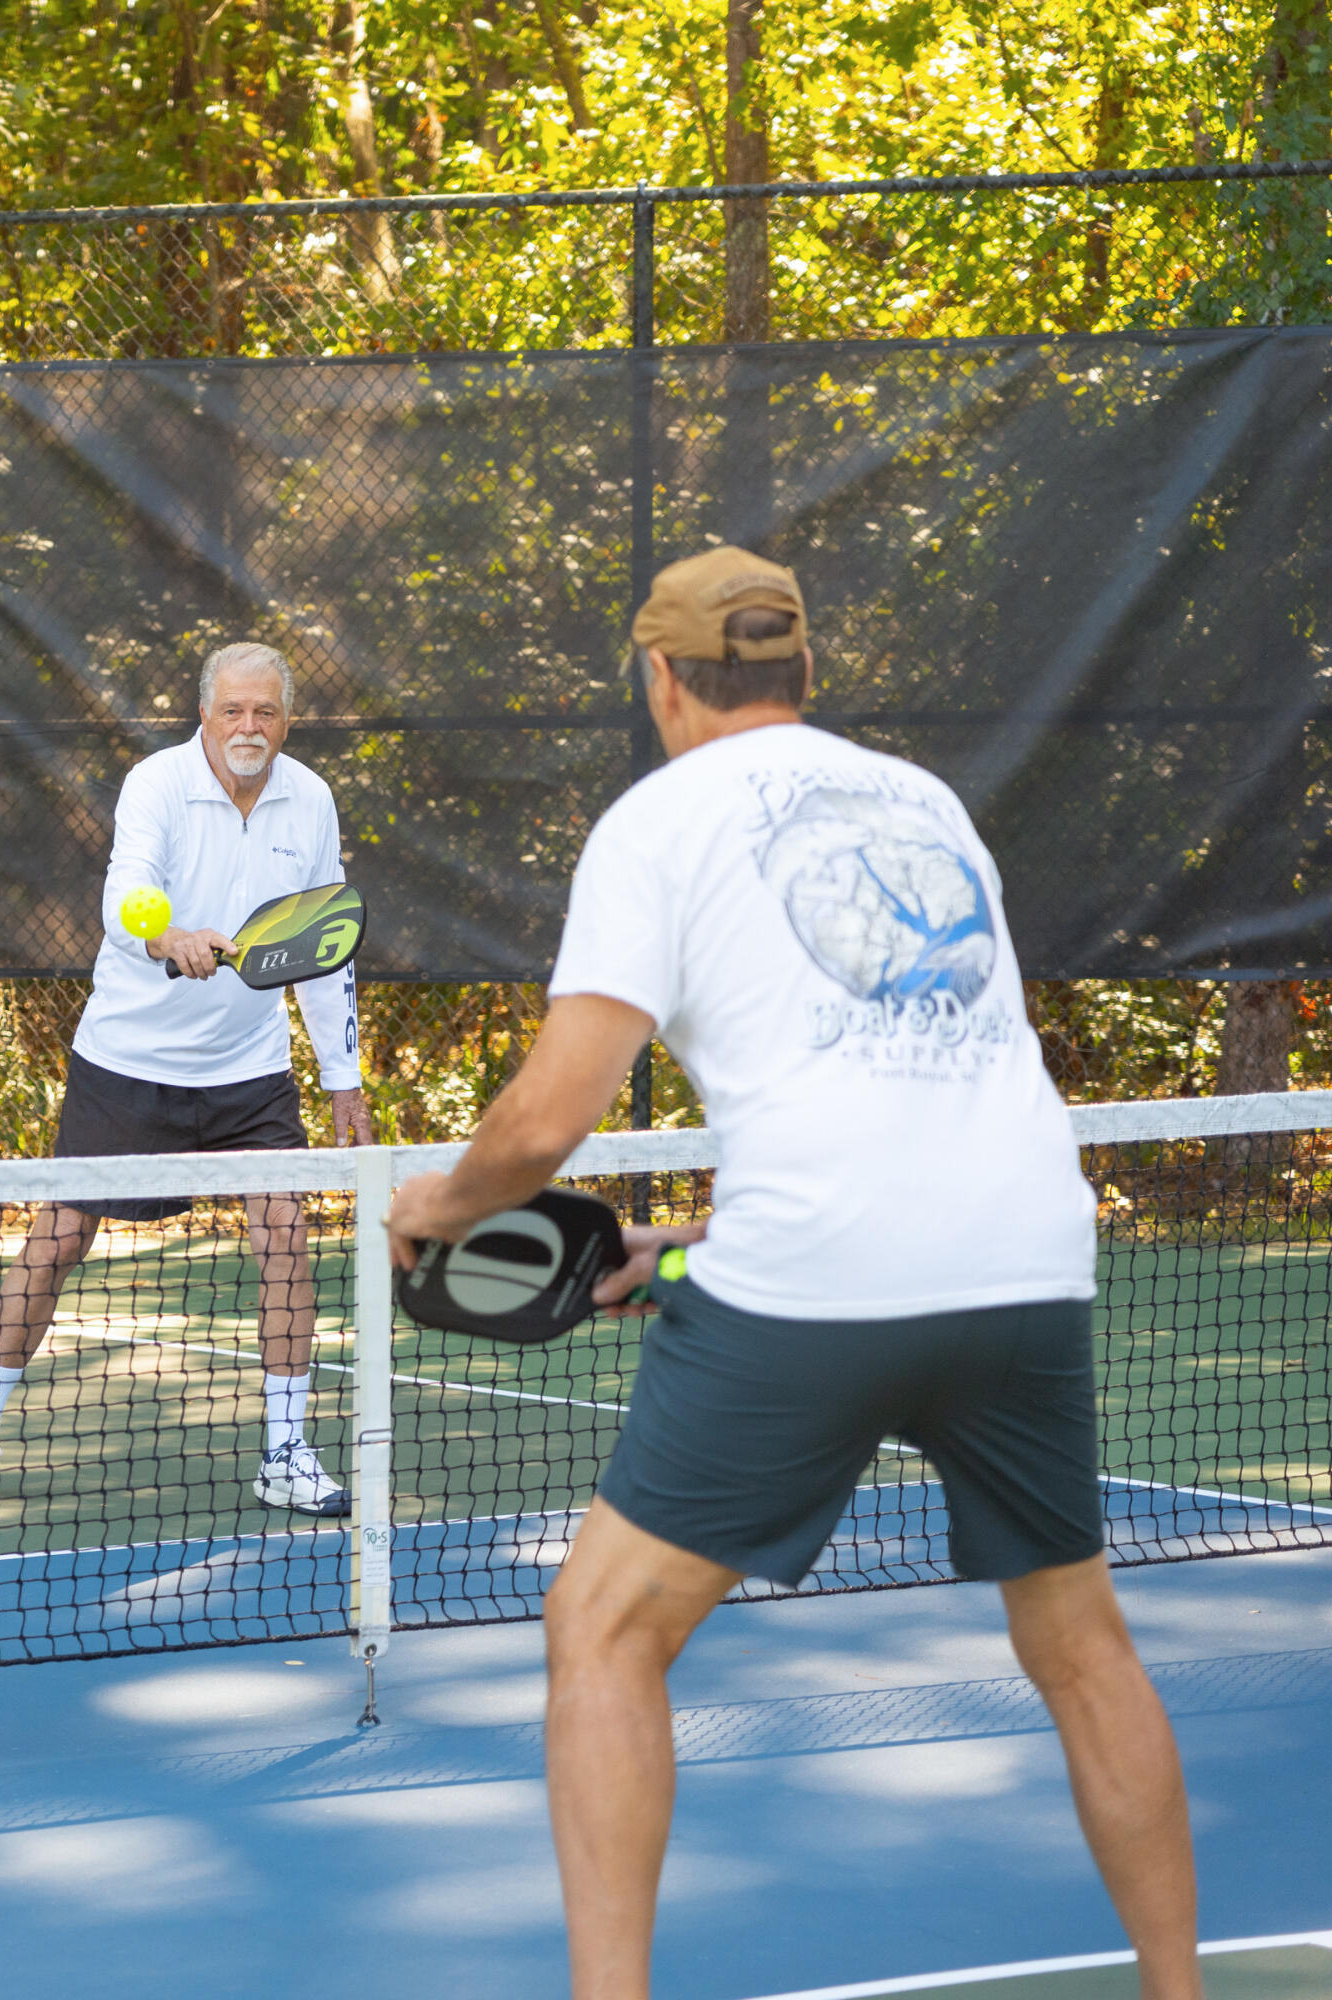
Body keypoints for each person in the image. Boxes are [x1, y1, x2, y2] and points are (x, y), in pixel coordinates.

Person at [384, 549, 1200, 2000]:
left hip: (824, 1277)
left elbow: (546, 1121)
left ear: (661, 679)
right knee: (1081, 1644)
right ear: (802, 672)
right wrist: (681, 1252)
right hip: (1028, 1254)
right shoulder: (928, 803)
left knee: (604, 1628)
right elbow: (905, 1088)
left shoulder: (655, 823)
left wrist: (438, 1204)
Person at [0, 641, 376, 1518]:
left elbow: (323, 948)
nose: (250, 727)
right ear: (203, 714)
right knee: (59, 1239)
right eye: (233, 711)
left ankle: (285, 1450)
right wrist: (165, 935)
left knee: (285, 1234)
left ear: (287, 719)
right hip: (128, 1063)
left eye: (267, 712)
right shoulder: (157, 784)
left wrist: (343, 1079)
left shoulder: (311, 799)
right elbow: (125, 889)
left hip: (251, 1072)